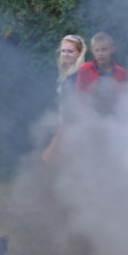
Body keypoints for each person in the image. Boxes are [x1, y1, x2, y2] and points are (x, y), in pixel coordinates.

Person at [41, 34, 87, 164]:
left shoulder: (75, 77)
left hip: (75, 132)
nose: (66, 54)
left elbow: (70, 115)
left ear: (79, 53)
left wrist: (54, 145)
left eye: (70, 51)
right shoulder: (69, 74)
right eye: (63, 51)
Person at [76, 31, 127, 115]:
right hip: (91, 115)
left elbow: (125, 99)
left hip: (114, 115)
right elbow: (79, 97)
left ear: (112, 49)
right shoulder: (84, 69)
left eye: (104, 49)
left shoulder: (121, 72)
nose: (100, 54)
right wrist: (93, 89)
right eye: (97, 50)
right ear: (92, 51)